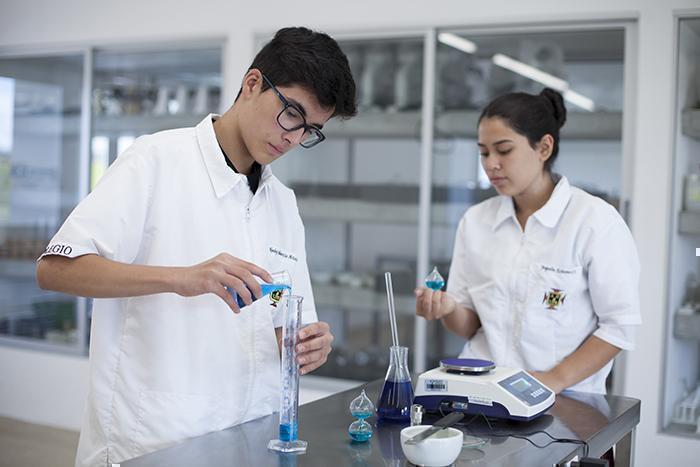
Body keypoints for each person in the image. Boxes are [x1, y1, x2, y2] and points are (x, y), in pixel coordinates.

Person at [35, 27, 357, 467]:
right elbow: (56, 268)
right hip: (155, 440)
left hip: (252, 438)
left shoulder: (281, 202)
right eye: (291, 115)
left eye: (310, 130)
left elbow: (279, 306)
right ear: (252, 84)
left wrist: (301, 343)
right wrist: (181, 277)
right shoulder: (155, 161)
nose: (293, 138)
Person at [415, 88, 641, 395]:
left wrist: (554, 380)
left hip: (565, 401)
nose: (491, 164)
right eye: (483, 152)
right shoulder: (476, 221)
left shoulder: (594, 221)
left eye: (504, 150)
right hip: (482, 392)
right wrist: (446, 309)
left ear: (544, 147)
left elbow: (619, 327)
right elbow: (468, 326)